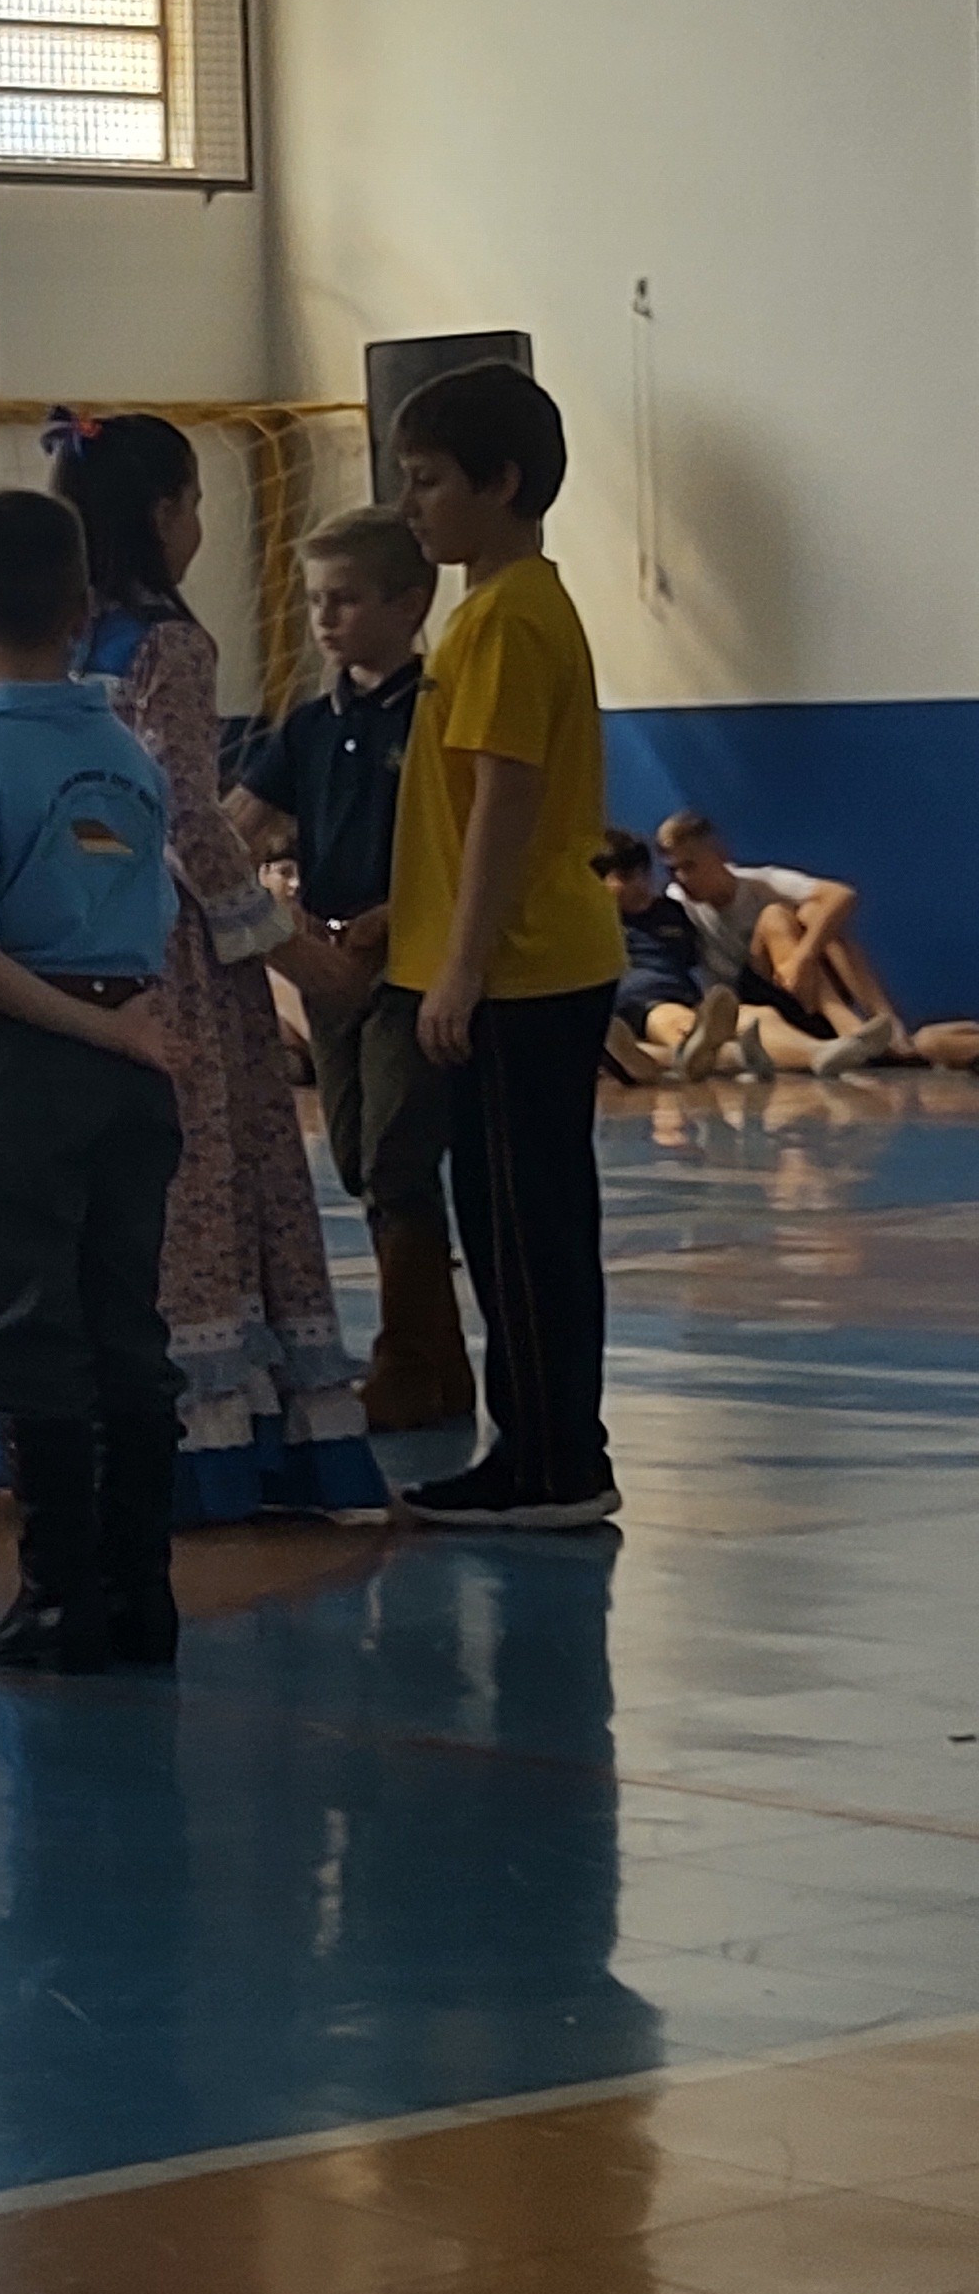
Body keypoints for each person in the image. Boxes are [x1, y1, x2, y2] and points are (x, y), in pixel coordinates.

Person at [34, 410, 378, 1524]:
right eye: (193, 504)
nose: (198, 527)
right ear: (162, 513)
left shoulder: (54, 636)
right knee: (205, 1173)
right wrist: (291, 951)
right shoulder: (167, 643)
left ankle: (84, 1421)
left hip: (66, 946)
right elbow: (181, 814)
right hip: (169, 951)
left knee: (100, 1188)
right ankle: (209, 1442)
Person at [0, 487, 188, 1673]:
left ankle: (56, 1593)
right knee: (123, 1316)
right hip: (132, 1059)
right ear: (81, 610)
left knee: (24, 1321)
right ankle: (140, 1593)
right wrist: (120, 1030)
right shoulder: (127, 755)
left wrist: (79, 1025)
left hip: (25, 1062)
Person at [384, 362, 629, 1531]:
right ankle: (537, 1443)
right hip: (518, 959)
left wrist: (462, 964)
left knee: (521, 1226)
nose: (408, 504)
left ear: (501, 482)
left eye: (428, 480)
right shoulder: (497, 608)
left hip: (522, 966)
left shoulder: (505, 619)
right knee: (511, 1217)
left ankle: (550, 1460)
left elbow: (504, 797)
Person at [224, 508, 466, 1430]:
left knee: (399, 1153)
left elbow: (465, 842)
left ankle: (406, 1359)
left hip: (409, 958)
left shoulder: (435, 710)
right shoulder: (310, 724)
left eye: (347, 600)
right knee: (360, 1157)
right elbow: (240, 820)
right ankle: (440, 1363)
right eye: (316, 601)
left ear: (410, 603)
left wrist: (403, 915)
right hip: (329, 962)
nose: (325, 619)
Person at [651, 813, 943, 1069]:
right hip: (752, 997)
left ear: (719, 854)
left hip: (801, 988)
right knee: (779, 917)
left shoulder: (759, 882)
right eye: (672, 870)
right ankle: (850, 1028)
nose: (681, 878)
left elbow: (842, 895)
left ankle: (882, 1020)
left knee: (812, 913)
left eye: (690, 866)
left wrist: (803, 957)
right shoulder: (676, 900)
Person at [598, 834, 762, 1082]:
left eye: (641, 874)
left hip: (689, 998)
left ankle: (818, 1051)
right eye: (623, 877)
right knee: (676, 1020)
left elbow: (696, 957)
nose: (637, 884)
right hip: (640, 1004)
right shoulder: (596, 923)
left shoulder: (674, 912)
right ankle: (738, 1056)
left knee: (759, 1018)